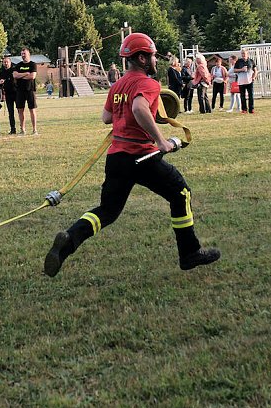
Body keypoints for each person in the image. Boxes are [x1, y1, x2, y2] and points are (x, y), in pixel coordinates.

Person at [43, 32, 220, 277]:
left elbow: (106, 118)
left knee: (107, 211)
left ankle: (69, 239)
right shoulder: (148, 83)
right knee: (181, 193)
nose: (156, 60)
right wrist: (161, 140)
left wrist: (127, 114)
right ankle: (189, 253)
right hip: (143, 157)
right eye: (153, 56)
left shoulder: (117, 85)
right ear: (141, 58)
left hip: (117, 158)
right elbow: (138, 107)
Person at [13, 48, 38, 135]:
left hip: (30, 90)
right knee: (20, 110)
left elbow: (32, 76)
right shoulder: (18, 65)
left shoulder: (33, 65)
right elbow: (15, 75)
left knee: (32, 109)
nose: (23, 55)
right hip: (20, 90)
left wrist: (21, 76)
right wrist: (25, 74)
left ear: (28, 54)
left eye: (24, 54)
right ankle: (22, 129)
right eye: (22, 54)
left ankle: (34, 129)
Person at [234, 48, 257, 114]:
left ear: (247, 54)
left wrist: (253, 77)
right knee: (242, 96)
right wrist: (241, 69)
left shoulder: (251, 61)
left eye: (244, 53)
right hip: (241, 82)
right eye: (242, 53)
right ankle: (244, 109)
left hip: (249, 81)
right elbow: (235, 70)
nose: (243, 55)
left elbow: (255, 70)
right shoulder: (239, 61)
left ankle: (251, 109)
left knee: (251, 95)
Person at [0, 56, 17, 135]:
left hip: (16, 93)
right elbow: (0, 82)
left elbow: (13, 80)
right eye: (4, 62)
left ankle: (22, 127)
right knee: (10, 112)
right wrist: (0, 82)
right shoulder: (1, 71)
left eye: (7, 62)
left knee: (20, 110)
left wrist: (5, 81)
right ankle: (13, 129)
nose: (5, 63)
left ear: (10, 62)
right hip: (8, 94)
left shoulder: (14, 69)